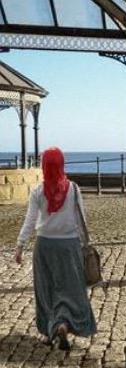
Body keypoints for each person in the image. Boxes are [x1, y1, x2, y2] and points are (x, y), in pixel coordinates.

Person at [14, 147, 97, 351]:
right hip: (69, 246)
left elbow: (30, 221)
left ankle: (53, 327)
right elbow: (81, 220)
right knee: (71, 289)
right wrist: (85, 244)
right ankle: (64, 324)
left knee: (47, 290)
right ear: (62, 165)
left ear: (44, 166)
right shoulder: (74, 189)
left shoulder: (37, 192)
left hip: (44, 246)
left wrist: (20, 245)